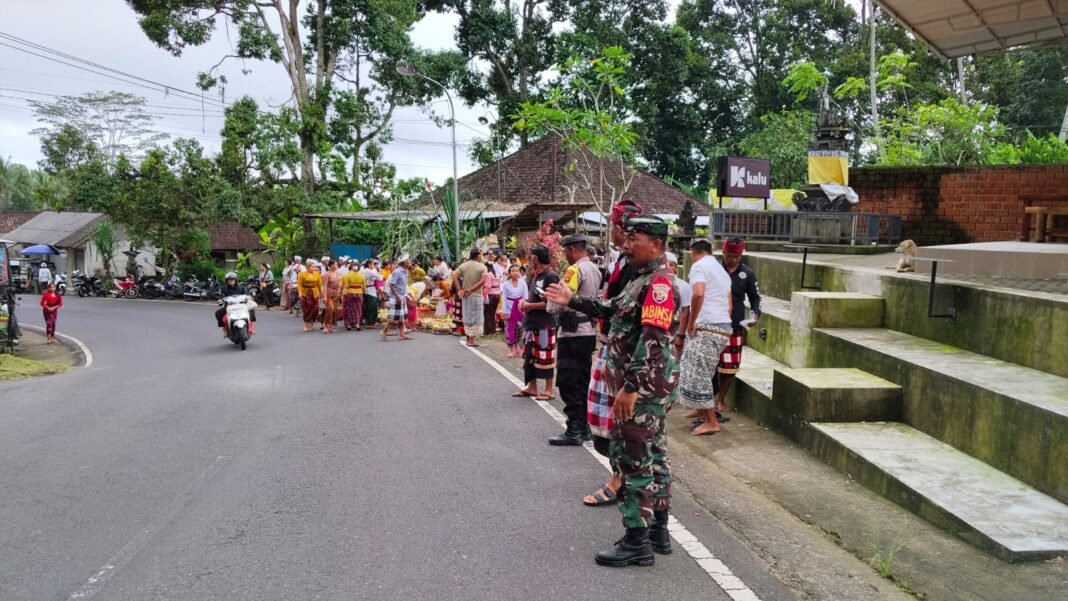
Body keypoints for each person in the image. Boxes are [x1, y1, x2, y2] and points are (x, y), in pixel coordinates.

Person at [544, 215, 681, 567]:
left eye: (634, 237)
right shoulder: (641, 279)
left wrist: (630, 388)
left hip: (642, 391)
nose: (626, 242)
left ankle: (637, 541)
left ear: (655, 243)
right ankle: (658, 532)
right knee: (655, 455)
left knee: (632, 460)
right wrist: (571, 299)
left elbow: (653, 341)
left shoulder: (659, 285)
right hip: (648, 389)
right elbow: (610, 309)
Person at [584, 199, 644, 508]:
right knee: (603, 418)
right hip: (609, 343)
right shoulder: (620, 260)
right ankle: (621, 475)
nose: (612, 230)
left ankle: (621, 480)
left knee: (620, 420)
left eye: (614, 225)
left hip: (624, 352)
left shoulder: (642, 269)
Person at [547, 233, 603, 446]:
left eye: (565, 251)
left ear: (572, 250)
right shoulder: (595, 269)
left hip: (572, 331)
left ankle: (574, 429)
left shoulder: (574, 270)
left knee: (568, 380)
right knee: (582, 379)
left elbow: (562, 301)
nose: (565, 255)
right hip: (588, 330)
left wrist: (550, 303)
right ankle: (584, 425)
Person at [678, 238, 733, 436]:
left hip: (707, 327)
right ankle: (701, 409)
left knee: (698, 373)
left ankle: (711, 421)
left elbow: (698, 294)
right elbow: (729, 305)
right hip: (722, 327)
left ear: (693, 252)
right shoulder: (721, 271)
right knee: (700, 370)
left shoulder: (699, 267)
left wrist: (692, 323)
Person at [710, 237, 762, 417]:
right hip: (712, 323)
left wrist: (755, 315)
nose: (731, 259)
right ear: (722, 252)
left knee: (729, 367)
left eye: (736, 256)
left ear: (741, 255)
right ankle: (707, 400)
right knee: (709, 364)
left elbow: (755, 298)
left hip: (734, 325)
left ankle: (721, 398)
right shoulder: (713, 270)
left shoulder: (747, 274)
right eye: (728, 255)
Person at [513, 245, 559, 401]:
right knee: (530, 356)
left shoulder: (551, 277)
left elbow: (552, 303)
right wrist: (526, 303)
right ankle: (532, 387)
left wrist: (530, 306)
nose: (530, 260)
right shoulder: (536, 276)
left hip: (545, 324)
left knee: (545, 357)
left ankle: (548, 390)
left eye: (531, 256)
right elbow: (534, 299)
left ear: (536, 258)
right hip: (532, 323)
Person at [456, 248, 488, 347]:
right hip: (476, 295)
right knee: (476, 317)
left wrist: (459, 290)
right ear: (478, 256)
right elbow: (482, 281)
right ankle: (471, 341)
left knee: (467, 316)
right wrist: (471, 289)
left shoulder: (464, 265)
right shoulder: (482, 267)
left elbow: (454, 276)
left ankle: (468, 338)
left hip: (465, 296)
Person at [666, 252, 692, 360]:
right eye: (665, 264)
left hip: (675, 331)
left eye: (671, 265)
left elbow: (686, 311)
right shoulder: (652, 283)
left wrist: (680, 335)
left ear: (676, 268)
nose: (668, 267)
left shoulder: (683, 286)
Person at [383, 254, 413, 341]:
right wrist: (397, 297)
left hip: (402, 296)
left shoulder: (405, 271)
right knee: (394, 318)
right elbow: (392, 285)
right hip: (396, 296)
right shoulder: (397, 272)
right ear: (404, 263)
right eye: (408, 260)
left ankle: (401, 334)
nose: (409, 262)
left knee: (401, 317)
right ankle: (384, 331)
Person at [499, 265, 527, 358]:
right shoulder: (506, 284)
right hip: (509, 308)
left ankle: (517, 346)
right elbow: (504, 298)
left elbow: (525, 297)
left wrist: (523, 306)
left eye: (517, 270)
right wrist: (505, 311)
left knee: (520, 329)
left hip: (519, 308)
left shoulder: (523, 283)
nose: (515, 272)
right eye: (513, 271)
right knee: (510, 328)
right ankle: (512, 349)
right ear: (510, 273)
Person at [297, 260, 322, 332]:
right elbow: (299, 285)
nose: (314, 268)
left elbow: (319, 284)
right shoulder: (302, 274)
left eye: (314, 266)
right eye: (312, 266)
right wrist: (300, 293)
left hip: (315, 293)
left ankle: (312, 323)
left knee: (315, 309)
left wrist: (321, 293)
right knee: (306, 309)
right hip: (306, 293)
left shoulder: (317, 274)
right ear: (308, 267)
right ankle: (306, 324)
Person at [341, 261, 366, 331]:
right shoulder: (362, 276)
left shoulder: (347, 275)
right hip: (359, 293)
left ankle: (349, 324)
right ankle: (357, 324)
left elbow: (346, 285)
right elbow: (364, 287)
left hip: (350, 293)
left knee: (350, 308)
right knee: (358, 309)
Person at [321, 260, 342, 333]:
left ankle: (330, 326)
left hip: (335, 294)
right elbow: (324, 286)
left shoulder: (338, 273)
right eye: (335, 264)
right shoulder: (326, 274)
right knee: (330, 308)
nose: (336, 265)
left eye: (336, 264)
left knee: (334, 310)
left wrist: (339, 293)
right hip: (328, 293)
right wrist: (324, 296)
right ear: (331, 265)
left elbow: (339, 284)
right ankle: (325, 325)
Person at [482, 254, 501, 337]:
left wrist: (484, 295)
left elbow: (488, 286)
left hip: (490, 295)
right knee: (492, 313)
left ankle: (487, 331)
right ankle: (492, 329)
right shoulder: (497, 274)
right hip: (497, 294)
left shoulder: (488, 274)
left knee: (487, 313)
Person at [360, 260, 383, 326]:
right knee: (371, 306)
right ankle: (370, 322)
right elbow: (379, 277)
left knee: (370, 305)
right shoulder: (368, 270)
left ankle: (371, 320)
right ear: (369, 264)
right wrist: (382, 277)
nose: (374, 265)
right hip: (369, 290)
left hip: (370, 289)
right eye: (373, 264)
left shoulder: (367, 270)